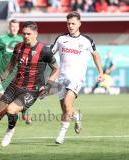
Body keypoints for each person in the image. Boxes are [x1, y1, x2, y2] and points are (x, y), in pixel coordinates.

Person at [0, 21, 59, 152]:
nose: (25, 36)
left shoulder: (44, 50)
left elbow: (55, 69)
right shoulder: (19, 47)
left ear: (36, 34)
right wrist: (0, 77)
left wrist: (48, 85)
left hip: (31, 90)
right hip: (14, 85)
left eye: (28, 34)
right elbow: (11, 65)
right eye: (24, 33)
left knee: (11, 110)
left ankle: (10, 129)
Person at [51, 11, 104, 144]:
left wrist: (101, 73)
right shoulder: (61, 39)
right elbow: (49, 54)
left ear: (79, 23)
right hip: (62, 78)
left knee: (68, 104)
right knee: (65, 108)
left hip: (76, 78)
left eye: (73, 23)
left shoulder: (86, 41)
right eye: (68, 23)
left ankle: (61, 135)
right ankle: (76, 115)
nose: (70, 26)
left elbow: (96, 55)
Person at [0, 19, 32, 124]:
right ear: (9, 27)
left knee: (23, 94)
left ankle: (25, 114)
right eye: (12, 27)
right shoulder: (2, 39)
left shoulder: (22, 40)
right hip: (4, 75)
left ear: (19, 28)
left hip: (19, 74)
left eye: (16, 27)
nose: (14, 29)